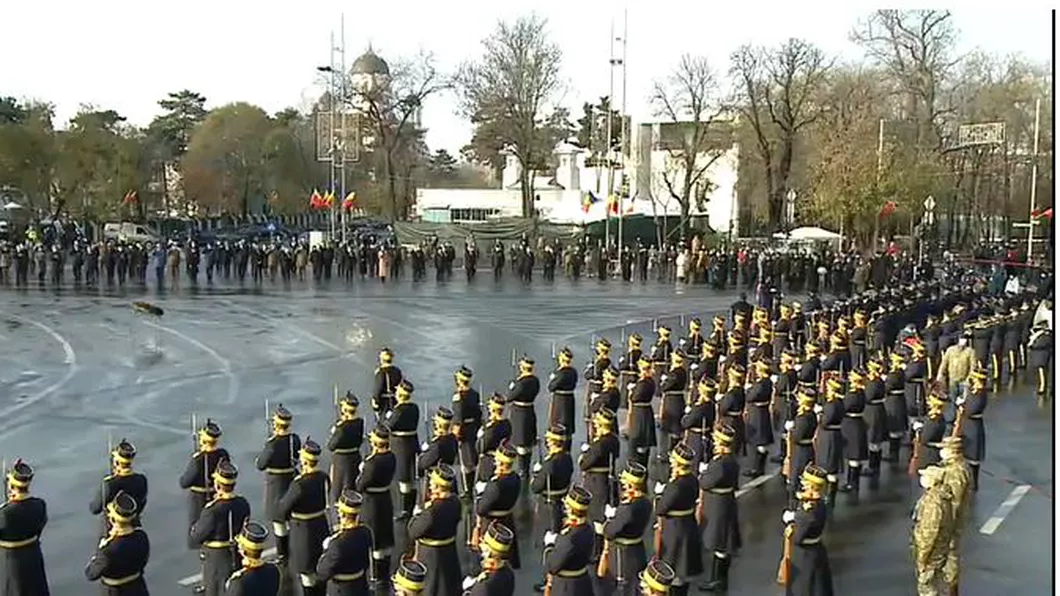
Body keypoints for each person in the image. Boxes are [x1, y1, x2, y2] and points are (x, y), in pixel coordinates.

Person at [276, 439, 331, 596]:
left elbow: (282, 510)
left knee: (307, 573)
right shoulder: (322, 477)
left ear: (304, 461)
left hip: (303, 532)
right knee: (319, 567)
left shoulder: (298, 484)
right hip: (321, 525)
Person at [188, 460, 251, 596]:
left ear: (217, 485)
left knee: (214, 590)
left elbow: (197, 536)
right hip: (236, 552)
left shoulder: (212, 510)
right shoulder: (243, 503)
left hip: (216, 557)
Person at [655, 442, 703, 596]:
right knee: (683, 568)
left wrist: (660, 495)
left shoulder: (675, 485)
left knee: (673, 567)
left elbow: (661, 509)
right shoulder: (693, 480)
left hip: (674, 529)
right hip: (688, 524)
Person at [255, 405, 301, 564]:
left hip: (275, 483)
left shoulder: (272, 444)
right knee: (289, 514)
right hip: (291, 478)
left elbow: (260, 464)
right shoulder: (294, 439)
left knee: (278, 520)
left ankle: (283, 553)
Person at [407, 464, 463, 596]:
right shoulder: (456, 502)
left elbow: (413, 532)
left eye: (432, 483)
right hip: (449, 552)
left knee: (432, 589)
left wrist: (419, 514)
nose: (430, 486)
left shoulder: (432, 511)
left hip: (431, 556)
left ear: (438, 487)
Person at [698, 424, 740, 593]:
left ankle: (718, 581)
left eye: (716, 441)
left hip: (718, 505)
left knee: (719, 542)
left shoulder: (720, 464)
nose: (714, 443)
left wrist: (704, 471)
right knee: (721, 542)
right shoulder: (730, 460)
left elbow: (705, 483)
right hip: (725, 501)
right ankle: (718, 579)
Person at [601, 461, 652, 596]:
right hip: (637, 550)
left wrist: (611, 518)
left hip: (622, 555)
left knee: (622, 589)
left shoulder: (628, 508)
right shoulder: (646, 502)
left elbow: (609, 532)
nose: (623, 486)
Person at [782, 464, 834, 596]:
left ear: (812, 485)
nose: (803, 484)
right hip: (816, 551)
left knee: (804, 588)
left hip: (806, 556)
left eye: (805, 482)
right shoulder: (819, 503)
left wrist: (791, 522)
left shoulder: (809, 510)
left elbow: (797, 538)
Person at [84, 491, 149, 596]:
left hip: (114, 592)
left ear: (113, 519)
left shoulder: (108, 550)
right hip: (138, 587)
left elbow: (91, 574)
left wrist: (100, 550)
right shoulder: (141, 536)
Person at [0, 460, 49, 595]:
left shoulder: (5, 513)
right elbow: (40, 526)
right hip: (33, 557)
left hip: (11, 563)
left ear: (11, 486)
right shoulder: (40, 505)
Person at [356, 426, 396, 586]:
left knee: (375, 538)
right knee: (385, 535)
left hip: (372, 502)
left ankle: (377, 575)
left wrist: (362, 469)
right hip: (385, 498)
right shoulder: (391, 456)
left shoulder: (372, 463)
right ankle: (384, 572)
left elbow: (360, 484)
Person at [180, 420, 230, 546]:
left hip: (199, 498)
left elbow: (185, 482)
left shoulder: (198, 459)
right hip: (217, 494)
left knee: (198, 529)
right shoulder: (223, 454)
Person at [315, 489, 372, 596]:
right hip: (360, 587)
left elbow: (322, 572)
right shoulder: (366, 532)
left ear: (342, 514)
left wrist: (327, 548)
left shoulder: (337, 545)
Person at [474, 443, 521, 570]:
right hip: (508, 519)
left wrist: (481, 495)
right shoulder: (515, 478)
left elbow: (481, 509)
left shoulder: (495, 484)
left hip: (492, 523)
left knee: (490, 556)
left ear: (501, 463)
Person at [541, 486, 595, 596]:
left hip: (566, 587)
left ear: (570, 509)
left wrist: (550, 545)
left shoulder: (569, 537)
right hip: (584, 582)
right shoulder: (588, 528)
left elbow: (553, 566)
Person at [912, 466, 956, 596]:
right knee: (934, 583)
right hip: (940, 549)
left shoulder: (933, 503)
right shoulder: (942, 497)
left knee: (927, 588)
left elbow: (929, 533)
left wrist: (922, 558)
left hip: (932, 553)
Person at [90, 439, 148, 538]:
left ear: (116, 462)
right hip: (135, 528)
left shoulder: (109, 484)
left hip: (111, 531)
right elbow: (142, 502)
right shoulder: (141, 480)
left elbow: (95, 509)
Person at [937, 437, 972, 596]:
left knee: (950, 554)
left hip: (950, 521)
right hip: (950, 519)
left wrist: (944, 521)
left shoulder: (957, 472)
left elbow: (955, 502)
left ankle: (951, 588)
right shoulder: (955, 467)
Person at [532, 424, 574, 536]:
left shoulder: (549, 464)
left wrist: (537, 474)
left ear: (551, 442)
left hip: (548, 505)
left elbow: (536, 487)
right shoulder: (567, 458)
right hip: (562, 501)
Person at [389, 380, 421, 521]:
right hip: (412, 442)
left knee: (404, 478)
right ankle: (411, 505)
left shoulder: (399, 410)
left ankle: (405, 509)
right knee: (411, 475)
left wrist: (389, 416)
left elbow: (390, 425)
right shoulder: (414, 407)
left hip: (400, 445)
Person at [505, 356, 542, 482]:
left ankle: (522, 470)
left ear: (522, 368)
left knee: (520, 442)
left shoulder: (520, 383)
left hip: (519, 413)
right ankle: (525, 469)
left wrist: (513, 386)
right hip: (529, 411)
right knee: (527, 442)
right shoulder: (535, 381)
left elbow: (509, 397)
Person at [326, 393, 365, 504]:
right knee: (352, 487)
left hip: (341, 462)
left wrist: (335, 430)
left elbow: (331, 446)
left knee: (339, 490)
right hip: (355, 457)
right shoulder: (360, 422)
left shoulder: (342, 428)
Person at [451, 366, 482, 497]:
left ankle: (467, 490)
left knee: (465, 460)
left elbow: (458, 417)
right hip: (473, 427)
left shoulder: (458, 397)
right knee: (472, 456)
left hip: (464, 429)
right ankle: (471, 486)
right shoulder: (474, 394)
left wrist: (455, 433)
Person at [461, 521, 515, 595]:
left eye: (484, 542)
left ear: (488, 552)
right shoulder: (508, 572)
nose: (480, 542)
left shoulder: (484, 586)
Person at [936, 331, 975, 404]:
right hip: (952, 380)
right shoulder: (950, 350)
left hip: (964, 380)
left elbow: (973, 366)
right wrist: (940, 374)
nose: (964, 341)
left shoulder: (970, 351)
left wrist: (969, 379)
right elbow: (944, 363)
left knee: (963, 403)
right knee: (953, 402)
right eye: (962, 339)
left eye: (965, 339)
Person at [547, 347, 579, 433]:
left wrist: (553, 378)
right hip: (570, 398)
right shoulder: (573, 371)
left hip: (560, 400)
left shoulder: (561, 373)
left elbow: (551, 387)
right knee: (568, 420)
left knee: (558, 421)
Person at [372, 348, 403, 419]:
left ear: (381, 359)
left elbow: (377, 391)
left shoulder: (381, 373)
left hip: (385, 404)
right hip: (396, 401)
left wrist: (375, 404)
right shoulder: (397, 371)